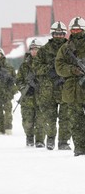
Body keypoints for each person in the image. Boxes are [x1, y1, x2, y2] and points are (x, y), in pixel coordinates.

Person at [32, 21, 71, 150]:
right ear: (52, 34)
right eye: (56, 33)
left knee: (65, 117)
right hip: (48, 89)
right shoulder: (44, 50)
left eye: (61, 34)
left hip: (65, 88)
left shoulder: (70, 48)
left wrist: (63, 70)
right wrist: (49, 69)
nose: (59, 36)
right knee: (49, 117)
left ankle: (63, 141)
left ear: (64, 34)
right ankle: (50, 139)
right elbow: (35, 67)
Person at [55, 16, 85, 156]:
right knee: (75, 121)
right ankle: (79, 147)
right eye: (73, 29)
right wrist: (72, 70)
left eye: (78, 29)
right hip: (72, 89)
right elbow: (59, 66)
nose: (76, 31)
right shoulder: (65, 48)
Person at [16, 39, 45, 147]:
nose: (34, 51)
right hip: (27, 99)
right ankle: (29, 137)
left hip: (41, 97)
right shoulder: (24, 66)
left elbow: (49, 80)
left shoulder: (45, 64)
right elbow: (18, 80)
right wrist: (25, 89)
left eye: (36, 49)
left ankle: (40, 141)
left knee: (40, 121)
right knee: (27, 122)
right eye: (32, 49)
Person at [0, 47, 16, 135]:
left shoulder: (9, 67)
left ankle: (8, 128)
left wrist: (12, 90)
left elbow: (15, 80)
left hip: (7, 93)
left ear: (2, 55)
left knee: (8, 111)